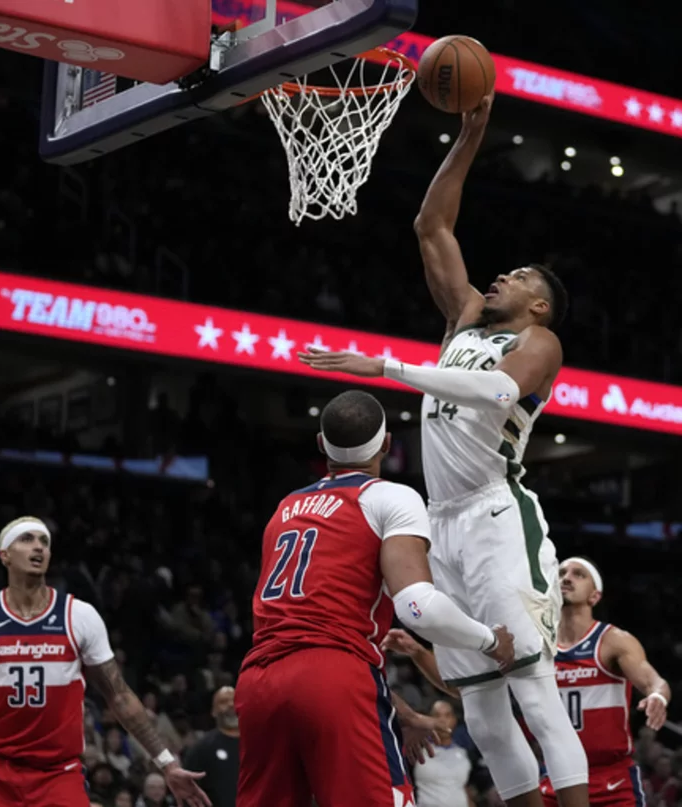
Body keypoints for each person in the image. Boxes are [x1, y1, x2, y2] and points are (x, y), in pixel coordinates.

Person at [298, 95, 589, 807]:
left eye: (519, 276)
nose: (501, 276)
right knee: (486, 717)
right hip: (445, 523)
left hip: (498, 513)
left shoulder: (537, 343)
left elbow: (495, 395)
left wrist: (387, 367)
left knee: (534, 687)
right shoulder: (462, 317)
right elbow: (432, 223)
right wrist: (472, 133)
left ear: (541, 304)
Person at [235, 390, 514, 807]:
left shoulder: (285, 508)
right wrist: (489, 640)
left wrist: (398, 710)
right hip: (334, 674)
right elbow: (417, 605)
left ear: (321, 444)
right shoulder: (390, 497)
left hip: (258, 681)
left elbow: (304, 643)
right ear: (386, 443)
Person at [0, 516, 210, 807]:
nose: (38, 547)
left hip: (57, 773)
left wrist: (167, 763)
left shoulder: (79, 616)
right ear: (4, 554)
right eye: (26, 539)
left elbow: (119, 696)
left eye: (44, 542)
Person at [539, 557, 670, 807]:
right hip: (556, 776)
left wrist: (658, 696)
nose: (566, 578)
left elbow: (654, 681)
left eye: (579, 574)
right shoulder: (539, 644)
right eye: (562, 573)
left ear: (594, 597)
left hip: (612, 779)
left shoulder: (613, 640)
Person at [184, 686, 239, 807]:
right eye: (224, 702)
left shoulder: (259, 745)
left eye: (235, 701)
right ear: (213, 711)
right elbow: (189, 794)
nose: (231, 705)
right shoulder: (202, 749)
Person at [412, 700, 475, 807]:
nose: (442, 720)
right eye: (437, 715)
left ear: (454, 720)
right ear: (429, 719)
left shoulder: (463, 752)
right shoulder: (416, 748)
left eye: (447, 715)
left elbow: (462, 786)